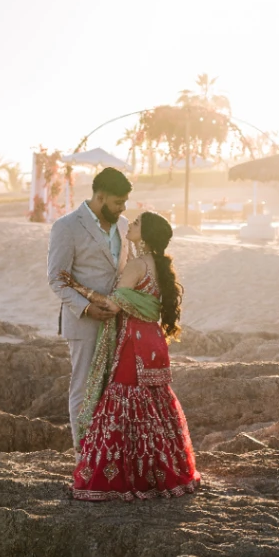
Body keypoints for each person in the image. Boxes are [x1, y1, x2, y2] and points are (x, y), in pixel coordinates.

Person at [55, 211, 199, 501]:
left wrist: (75, 287)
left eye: (135, 224)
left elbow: (112, 306)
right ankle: (160, 472)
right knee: (155, 406)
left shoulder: (136, 265)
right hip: (154, 341)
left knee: (125, 404)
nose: (129, 225)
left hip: (133, 342)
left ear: (144, 234)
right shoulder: (160, 264)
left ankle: (127, 476)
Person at [46, 166, 130, 444]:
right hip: (83, 323)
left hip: (119, 321)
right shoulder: (66, 226)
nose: (122, 208)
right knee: (83, 390)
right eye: (118, 202)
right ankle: (84, 458)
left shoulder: (124, 225)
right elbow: (57, 279)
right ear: (101, 196)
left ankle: (106, 455)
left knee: (114, 388)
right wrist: (86, 307)